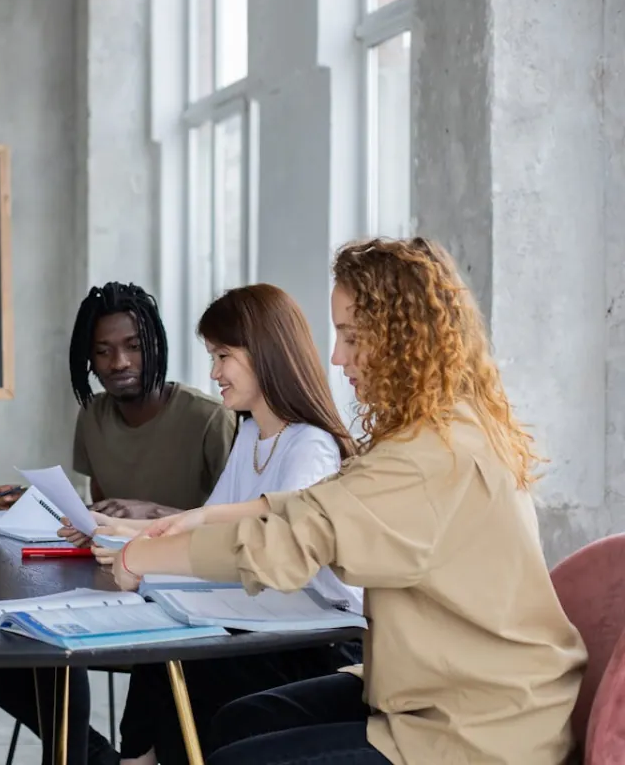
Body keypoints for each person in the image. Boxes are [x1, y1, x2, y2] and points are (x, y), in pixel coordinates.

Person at [103, 237, 587, 765]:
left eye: (352, 337)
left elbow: (291, 543)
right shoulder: (438, 429)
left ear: (403, 340)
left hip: (476, 726)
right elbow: (327, 501)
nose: (336, 356)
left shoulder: (432, 455)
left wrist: (138, 559)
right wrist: (205, 517)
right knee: (241, 719)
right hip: (430, 688)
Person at [0, 282, 239, 765]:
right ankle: (90, 756)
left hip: (183, 602)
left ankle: (87, 758)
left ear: (156, 344)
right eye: (103, 351)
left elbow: (233, 527)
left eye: (133, 346)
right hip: (111, 587)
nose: (119, 363)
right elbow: (97, 517)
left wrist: (152, 514)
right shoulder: (93, 416)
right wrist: (34, 503)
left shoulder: (209, 418)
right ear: (87, 360)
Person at [89, 284, 362, 765]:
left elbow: (271, 553)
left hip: (315, 640)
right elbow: (205, 530)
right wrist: (108, 529)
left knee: (177, 658)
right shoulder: (252, 432)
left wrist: (139, 548)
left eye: (223, 356)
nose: (214, 372)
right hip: (264, 622)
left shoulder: (311, 446)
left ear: (266, 354)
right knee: (164, 644)